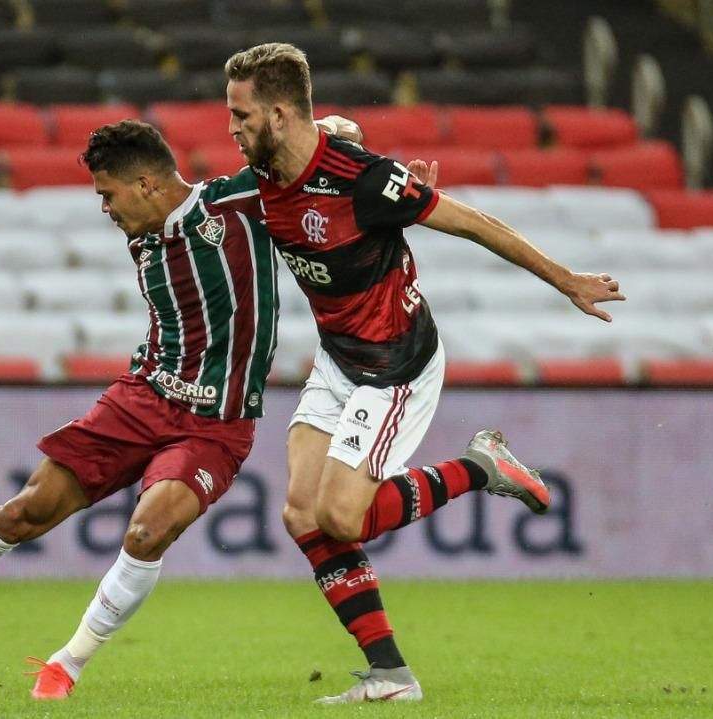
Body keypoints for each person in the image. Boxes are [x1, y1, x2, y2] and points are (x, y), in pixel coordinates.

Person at [0, 119, 292, 700]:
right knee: (27, 511)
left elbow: (304, 159)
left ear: (145, 184)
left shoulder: (237, 202)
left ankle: (66, 664)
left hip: (216, 421)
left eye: (107, 195)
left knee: (148, 532)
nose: (105, 209)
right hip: (143, 398)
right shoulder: (146, 232)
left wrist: (328, 135)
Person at [222, 43, 627, 704]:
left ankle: (481, 466)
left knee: (341, 516)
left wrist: (565, 280)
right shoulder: (273, 164)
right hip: (339, 356)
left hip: (395, 363)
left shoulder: (362, 179)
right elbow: (335, 130)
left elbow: (470, 222)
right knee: (301, 512)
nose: (231, 130)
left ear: (277, 114)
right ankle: (390, 674)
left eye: (240, 116)